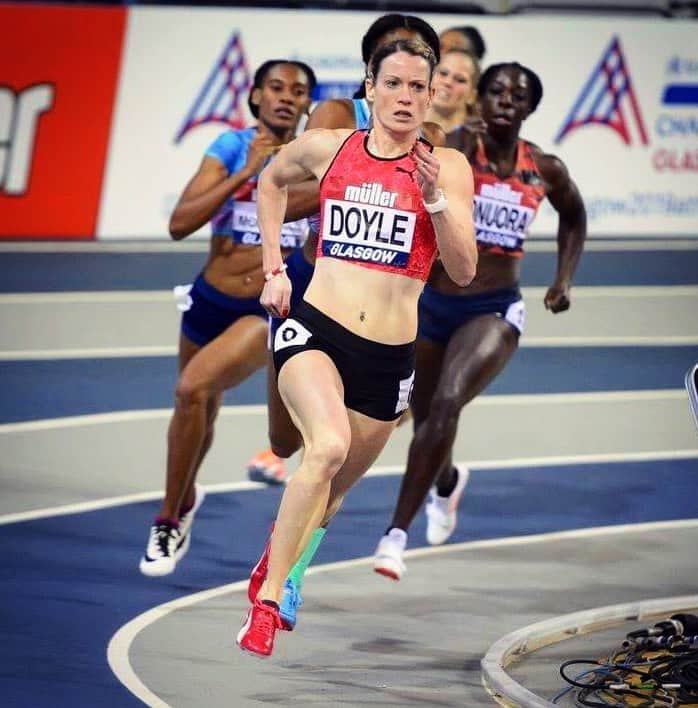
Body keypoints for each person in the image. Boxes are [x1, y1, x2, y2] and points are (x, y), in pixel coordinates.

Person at [236, 38, 478, 658]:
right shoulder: (329, 147)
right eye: (392, 84)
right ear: (369, 88)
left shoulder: (447, 167)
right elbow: (270, 182)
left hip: (388, 357)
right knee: (326, 447)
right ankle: (266, 601)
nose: (404, 97)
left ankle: (281, 560)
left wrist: (434, 200)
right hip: (315, 327)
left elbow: (463, 269)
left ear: (430, 98)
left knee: (334, 489)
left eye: (417, 87)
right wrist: (274, 269)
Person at [373, 61, 587, 580]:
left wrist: (563, 280)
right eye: (495, 91)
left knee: (447, 401)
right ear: (481, 100)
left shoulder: (545, 169)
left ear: (531, 107)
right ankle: (445, 483)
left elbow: (574, 217)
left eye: (517, 95)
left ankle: (394, 536)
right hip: (429, 305)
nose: (505, 101)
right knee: (427, 423)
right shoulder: (458, 150)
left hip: (493, 310)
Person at [247, 12, 443, 486]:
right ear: (371, 73)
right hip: (315, 286)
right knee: (284, 440)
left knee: (332, 454)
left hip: (383, 298)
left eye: (419, 68)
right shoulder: (335, 118)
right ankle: (297, 448)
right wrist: (364, 184)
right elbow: (284, 190)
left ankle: (295, 531)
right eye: (394, 62)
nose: (407, 78)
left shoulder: (428, 138)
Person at [139, 59, 317, 577]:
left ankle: (167, 518)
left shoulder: (313, 159)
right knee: (200, 410)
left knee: (191, 390)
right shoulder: (229, 148)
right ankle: (186, 499)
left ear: (308, 105)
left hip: (264, 306)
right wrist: (245, 172)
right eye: (276, 88)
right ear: (256, 97)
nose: (286, 97)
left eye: (297, 91)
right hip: (208, 300)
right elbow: (180, 223)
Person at [427, 47, 482, 144]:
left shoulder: (479, 141)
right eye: (443, 73)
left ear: (472, 95)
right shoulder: (401, 125)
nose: (447, 82)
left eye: (460, 79)